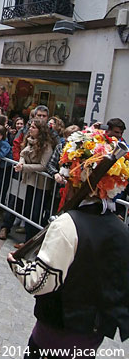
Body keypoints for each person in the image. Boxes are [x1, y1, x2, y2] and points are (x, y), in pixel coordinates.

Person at [8, 127, 129, 358]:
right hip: (91, 342)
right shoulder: (122, 229)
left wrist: (16, 265)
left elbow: (39, 282)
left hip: (52, 339)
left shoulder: (67, 225)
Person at [14, 118, 54, 245]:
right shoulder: (30, 142)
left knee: (35, 212)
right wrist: (21, 162)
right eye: (30, 126)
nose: (30, 129)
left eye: (33, 127)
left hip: (41, 183)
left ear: (40, 130)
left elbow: (43, 166)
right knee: (28, 209)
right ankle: (26, 240)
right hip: (30, 180)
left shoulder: (46, 146)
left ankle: (30, 242)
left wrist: (24, 167)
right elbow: (22, 154)